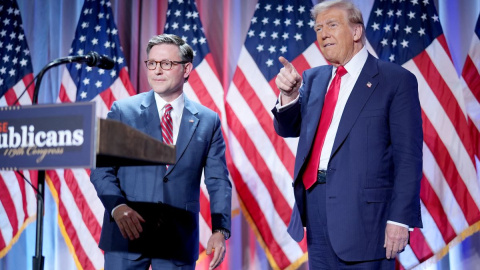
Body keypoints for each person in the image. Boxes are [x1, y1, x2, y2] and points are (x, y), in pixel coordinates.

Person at [272, 0, 423, 269]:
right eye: (318, 28)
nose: (323, 34)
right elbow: (288, 128)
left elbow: (408, 157)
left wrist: (400, 219)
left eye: (332, 25)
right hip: (315, 208)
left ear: (356, 32)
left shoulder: (395, 80)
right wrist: (289, 95)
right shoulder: (313, 79)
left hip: (366, 216)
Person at [90, 34, 231, 270]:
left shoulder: (208, 121)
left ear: (186, 69)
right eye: (152, 63)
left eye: (166, 64)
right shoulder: (124, 112)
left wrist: (219, 230)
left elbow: (217, 181)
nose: (157, 70)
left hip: (177, 239)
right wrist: (117, 207)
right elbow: (101, 170)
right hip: (127, 235)